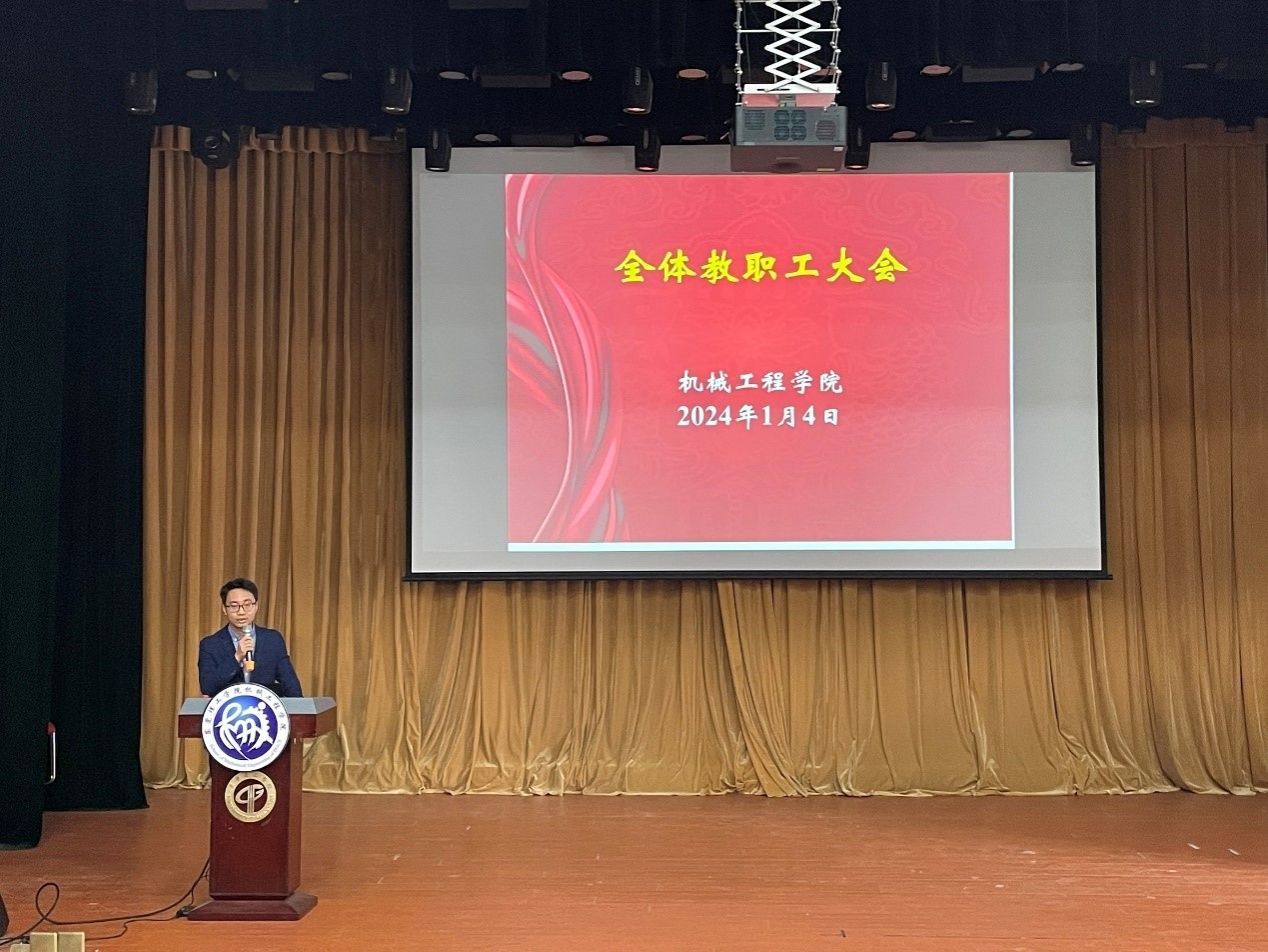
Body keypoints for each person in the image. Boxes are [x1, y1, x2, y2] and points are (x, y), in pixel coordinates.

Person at [197, 577, 303, 697]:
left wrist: (300, 707)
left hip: (262, 707)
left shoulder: (272, 640)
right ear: (224, 609)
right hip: (229, 707)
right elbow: (207, 687)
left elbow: (290, 685)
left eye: (247, 605)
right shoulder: (210, 645)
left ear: (256, 606)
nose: (241, 612)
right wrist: (237, 657)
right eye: (234, 606)